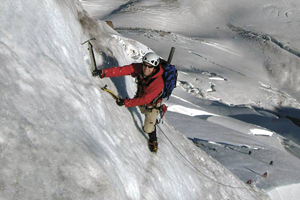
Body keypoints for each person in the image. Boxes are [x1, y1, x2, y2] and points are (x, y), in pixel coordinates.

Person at [92, 52, 164, 153]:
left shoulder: (158, 83)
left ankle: (153, 139)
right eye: (145, 65)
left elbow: (146, 100)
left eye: (150, 67)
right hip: (140, 99)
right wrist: (103, 73)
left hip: (152, 105)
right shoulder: (139, 68)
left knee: (148, 128)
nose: (146, 69)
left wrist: (126, 102)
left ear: (154, 68)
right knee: (140, 106)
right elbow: (123, 70)